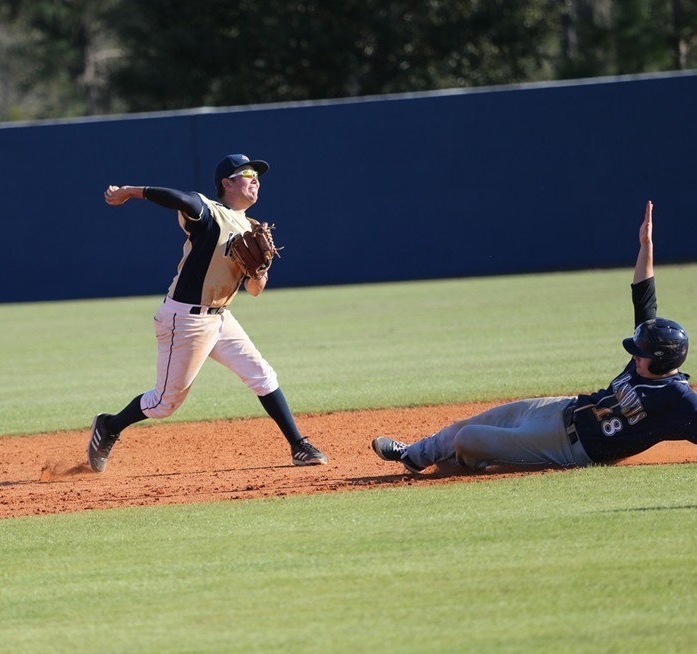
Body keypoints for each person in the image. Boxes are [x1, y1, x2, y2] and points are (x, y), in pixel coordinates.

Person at [372, 201, 696, 473]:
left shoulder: (678, 400)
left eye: (642, 353)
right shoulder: (646, 359)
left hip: (568, 450)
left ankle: (466, 465)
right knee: (470, 423)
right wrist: (645, 247)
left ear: (663, 359)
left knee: (468, 438)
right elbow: (644, 299)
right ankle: (411, 455)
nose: (636, 354)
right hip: (561, 409)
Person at [87, 154, 328, 472]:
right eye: (246, 173)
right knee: (164, 403)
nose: (255, 178)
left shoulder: (252, 227)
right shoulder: (209, 212)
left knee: (262, 375)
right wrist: (131, 191)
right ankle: (110, 425)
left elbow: (255, 291)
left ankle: (299, 446)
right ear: (227, 183)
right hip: (184, 319)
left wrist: (260, 270)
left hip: (221, 318)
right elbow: (178, 198)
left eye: (257, 174)